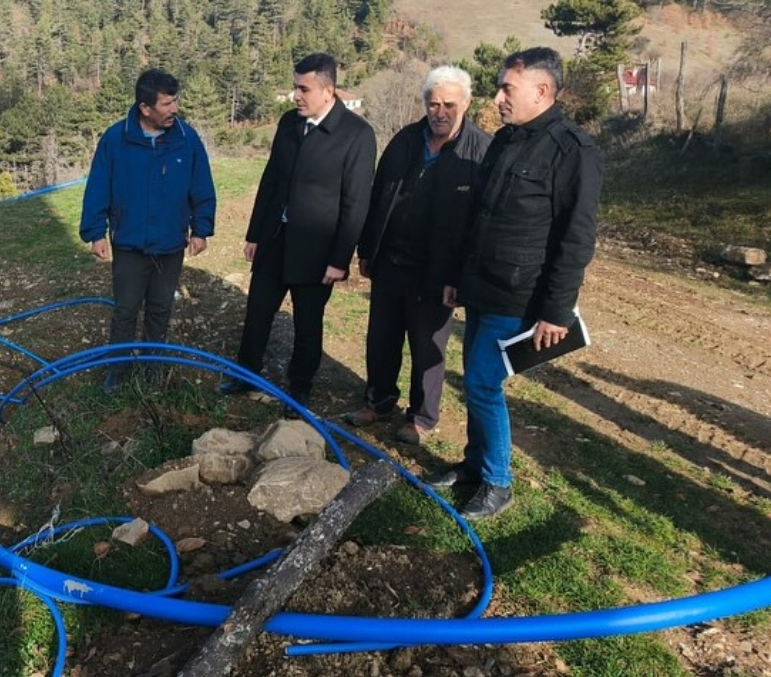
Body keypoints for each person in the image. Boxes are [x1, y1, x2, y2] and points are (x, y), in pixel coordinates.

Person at [435, 47, 603, 519]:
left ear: (542, 90)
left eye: (507, 87)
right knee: (474, 381)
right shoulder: (506, 141)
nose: (498, 97)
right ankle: (473, 464)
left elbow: (576, 237)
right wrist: (456, 279)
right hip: (482, 285)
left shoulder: (574, 151)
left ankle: (497, 482)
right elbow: (478, 217)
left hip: (520, 292)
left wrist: (557, 311)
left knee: (486, 383)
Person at [219, 53, 376, 413]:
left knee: (308, 323)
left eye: (304, 89)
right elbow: (271, 179)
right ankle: (246, 373)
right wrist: (255, 234)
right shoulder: (289, 123)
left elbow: (356, 205)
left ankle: (299, 388)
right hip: (276, 238)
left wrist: (340, 260)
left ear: (328, 91)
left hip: (317, 250)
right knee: (258, 310)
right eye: (294, 87)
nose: (296, 96)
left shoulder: (356, 135)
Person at [345, 66, 490, 445]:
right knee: (381, 338)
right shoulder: (406, 140)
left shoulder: (481, 153)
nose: (439, 112)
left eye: (448, 105)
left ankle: (422, 417)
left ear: (467, 104)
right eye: (433, 104)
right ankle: (378, 401)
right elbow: (379, 196)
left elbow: (480, 225)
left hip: (438, 273)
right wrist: (367, 249)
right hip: (391, 261)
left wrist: (458, 277)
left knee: (428, 348)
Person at [80, 68, 217, 393]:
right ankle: (118, 369)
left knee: (160, 308)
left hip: (170, 243)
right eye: (167, 104)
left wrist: (201, 229)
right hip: (129, 244)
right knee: (125, 310)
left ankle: (153, 367)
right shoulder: (116, 139)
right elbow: (98, 186)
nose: (174, 109)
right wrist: (96, 232)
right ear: (145, 107)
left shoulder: (187, 138)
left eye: (175, 101)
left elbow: (202, 185)